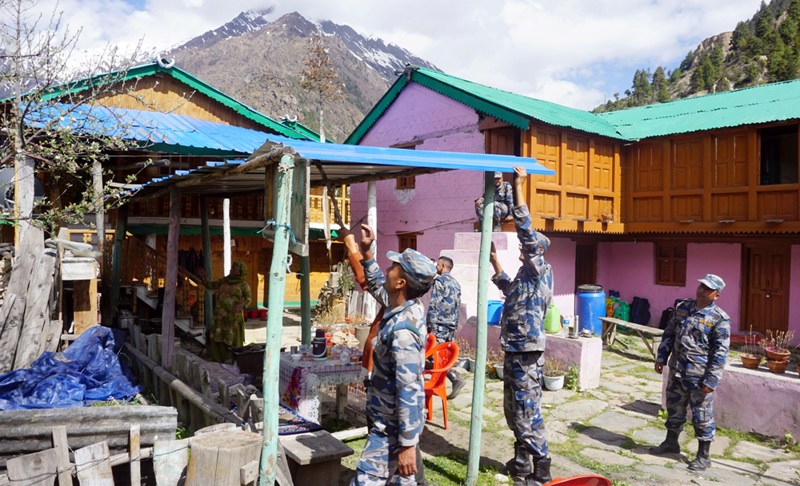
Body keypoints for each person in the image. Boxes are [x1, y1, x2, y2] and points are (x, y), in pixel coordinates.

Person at [351, 224, 437, 486]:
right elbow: (378, 285)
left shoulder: (402, 332)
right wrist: (367, 253)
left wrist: (409, 444)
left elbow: (410, 389)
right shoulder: (406, 305)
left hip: (390, 430)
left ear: (401, 282)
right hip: (387, 424)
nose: (388, 269)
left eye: (393, 267)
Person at [488, 166, 554, 485]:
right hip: (514, 350)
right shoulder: (524, 278)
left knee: (528, 411)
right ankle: (522, 462)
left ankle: (541, 469)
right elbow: (507, 288)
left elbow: (526, 232)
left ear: (537, 252)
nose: (521, 250)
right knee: (513, 411)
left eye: (527, 249)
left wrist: (520, 186)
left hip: (527, 354)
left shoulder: (540, 270)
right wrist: (494, 261)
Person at [650, 274, 731, 472]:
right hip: (677, 369)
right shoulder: (682, 308)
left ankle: (703, 456)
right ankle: (671, 443)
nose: (701, 290)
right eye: (701, 285)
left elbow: (720, 354)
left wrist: (711, 380)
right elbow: (669, 332)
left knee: (701, 415)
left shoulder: (720, 320)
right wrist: (662, 356)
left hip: (698, 376)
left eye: (707, 288)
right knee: (674, 407)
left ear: (716, 295)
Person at [425, 256, 465, 399]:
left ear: (442, 266)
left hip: (439, 324)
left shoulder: (439, 281)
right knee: (442, 356)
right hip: (451, 325)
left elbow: (434, 303)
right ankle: (446, 380)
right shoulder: (456, 283)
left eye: (437, 264)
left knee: (433, 355)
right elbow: (457, 306)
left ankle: (455, 378)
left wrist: (430, 325)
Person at [201, 261, 252, 363]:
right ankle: (218, 358)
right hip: (220, 316)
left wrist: (240, 305)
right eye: (232, 268)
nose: (231, 270)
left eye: (234, 268)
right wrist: (204, 278)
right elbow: (211, 285)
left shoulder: (243, 285)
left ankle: (234, 359)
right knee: (218, 336)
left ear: (239, 272)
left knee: (231, 338)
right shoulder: (224, 281)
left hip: (233, 317)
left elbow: (248, 299)